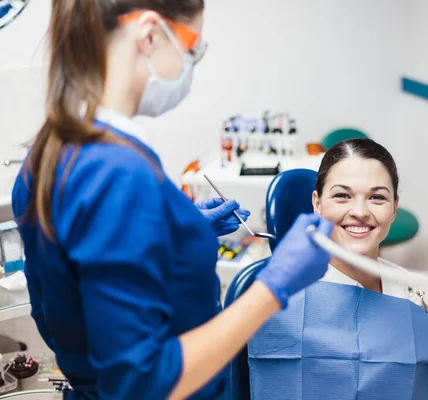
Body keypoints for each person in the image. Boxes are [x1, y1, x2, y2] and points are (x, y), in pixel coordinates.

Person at [11, 1, 332, 399]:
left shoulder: (46, 151)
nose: (190, 64)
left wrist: (177, 232)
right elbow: (141, 384)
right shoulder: (118, 171)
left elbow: (60, 309)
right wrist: (275, 283)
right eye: (192, 47)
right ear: (149, 33)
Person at [248, 139, 428, 399]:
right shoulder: (278, 299)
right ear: (317, 203)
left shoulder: (424, 296)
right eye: (342, 195)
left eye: (377, 197)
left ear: (394, 207)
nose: (360, 212)